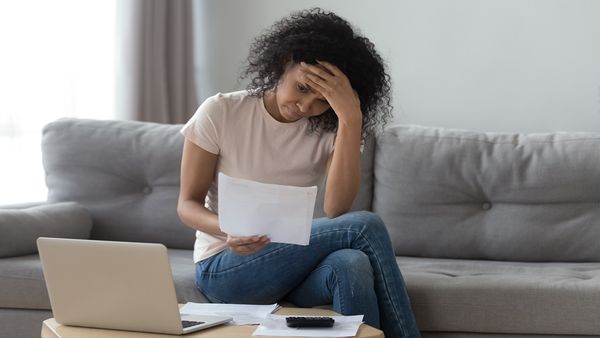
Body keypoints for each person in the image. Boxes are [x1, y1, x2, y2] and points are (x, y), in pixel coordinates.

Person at [177, 8, 420, 337]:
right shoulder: (221, 111)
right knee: (367, 226)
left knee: (352, 263)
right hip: (226, 264)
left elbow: (336, 207)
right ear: (284, 62)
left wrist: (350, 118)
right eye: (303, 88)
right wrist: (227, 231)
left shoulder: (334, 127)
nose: (306, 107)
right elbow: (187, 205)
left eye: (322, 101)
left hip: (291, 268)